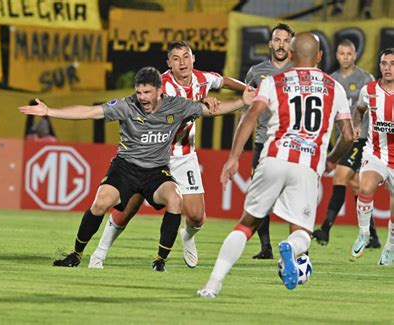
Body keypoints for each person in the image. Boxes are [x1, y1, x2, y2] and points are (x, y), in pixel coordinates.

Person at [19, 67, 254, 272]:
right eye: (139, 92)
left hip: (156, 171)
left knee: (175, 199)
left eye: (147, 92)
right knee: (101, 202)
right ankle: (76, 254)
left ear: (159, 91)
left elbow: (213, 110)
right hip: (126, 168)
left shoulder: (177, 106)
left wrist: (244, 101)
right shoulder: (126, 106)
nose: (141, 97)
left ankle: (160, 260)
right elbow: (89, 112)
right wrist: (50, 112)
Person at [197, 32, 354, 298]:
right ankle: (290, 249)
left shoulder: (274, 82)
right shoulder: (334, 87)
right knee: (302, 233)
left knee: (246, 224)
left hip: (273, 158)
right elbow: (349, 135)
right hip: (307, 165)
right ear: (319, 57)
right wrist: (332, 159)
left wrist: (233, 157)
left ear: (291, 55)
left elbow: (250, 117)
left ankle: (212, 285)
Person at [88, 41, 247, 269]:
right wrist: (201, 102)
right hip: (152, 155)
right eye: (175, 58)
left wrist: (249, 90)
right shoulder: (162, 85)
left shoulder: (203, 79)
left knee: (197, 217)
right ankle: (99, 254)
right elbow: (177, 107)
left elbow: (223, 80)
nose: (182, 63)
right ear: (168, 63)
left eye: (186, 57)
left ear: (194, 59)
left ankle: (188, 237)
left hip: (183, 155)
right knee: (128, 208)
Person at [313, 39, 379, 247]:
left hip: (361, 139)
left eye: (349, 53)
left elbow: (373, 105)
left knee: (340, 176)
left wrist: (361, 126)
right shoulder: (331, 80)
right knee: (355, 185)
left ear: (354, 55)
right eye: (341, 53)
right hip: (341, 140)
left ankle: (325, 229)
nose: (345, 57)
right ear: (337, 55)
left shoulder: (365, 78)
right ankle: (373, 236)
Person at [244, 23, 295, 259]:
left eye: (286, 40)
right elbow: (247, 106)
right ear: (270, 43)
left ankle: (297, 246)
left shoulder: (299, 71)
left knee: (294, 194)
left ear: (291, 44)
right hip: (264, 142)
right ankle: (265, 247)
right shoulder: (256, 72)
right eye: (277, 39)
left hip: (293, 141)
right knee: (260, 194)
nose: (281, 44)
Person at [351, 48, 394, 265]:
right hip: (376, 152)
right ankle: (364, 233)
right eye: (384, 63)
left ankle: (391, 246)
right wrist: (357, 125)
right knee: (365, 187)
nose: (388, 68)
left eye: (392, 63)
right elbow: (359, 110)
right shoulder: (368, 90)